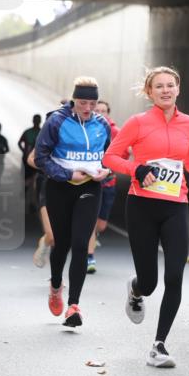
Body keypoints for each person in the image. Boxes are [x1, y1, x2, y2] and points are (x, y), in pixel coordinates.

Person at [103, 66, 189, 368]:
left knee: (175, 276)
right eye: (159, 86)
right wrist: (136, 169)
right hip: (142, 206)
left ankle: (159, 345)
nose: (165, 90)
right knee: (151, 282)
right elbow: (110, 157)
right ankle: (137, 288)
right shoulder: (138, 123)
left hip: (175, 205)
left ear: (178, 88)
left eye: (170, 85)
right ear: (150, 92)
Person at [33, 77, 112, 328]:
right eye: (83, 102)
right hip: (60, 188)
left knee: (81, 243)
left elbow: (109, 156)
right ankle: (56, 285)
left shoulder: (102, 125)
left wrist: (106, 171)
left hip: (90, 187)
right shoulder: (56, 121)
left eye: (93, 102)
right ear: (74, 100)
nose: (88, 108)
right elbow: (40, 158)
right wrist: (67, 174)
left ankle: (73, 306)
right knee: (62, 243)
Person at [86, 100, 120, 274]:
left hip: (109, 183)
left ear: (108, 114)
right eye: (97, 110)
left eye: (103, 111)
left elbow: (124, 153)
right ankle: (89, 256)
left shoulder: (115, 132)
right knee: (91, 222)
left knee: (101, 226)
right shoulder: (87, 129)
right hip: (90, 182)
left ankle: (93, 237)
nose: (100, 113)